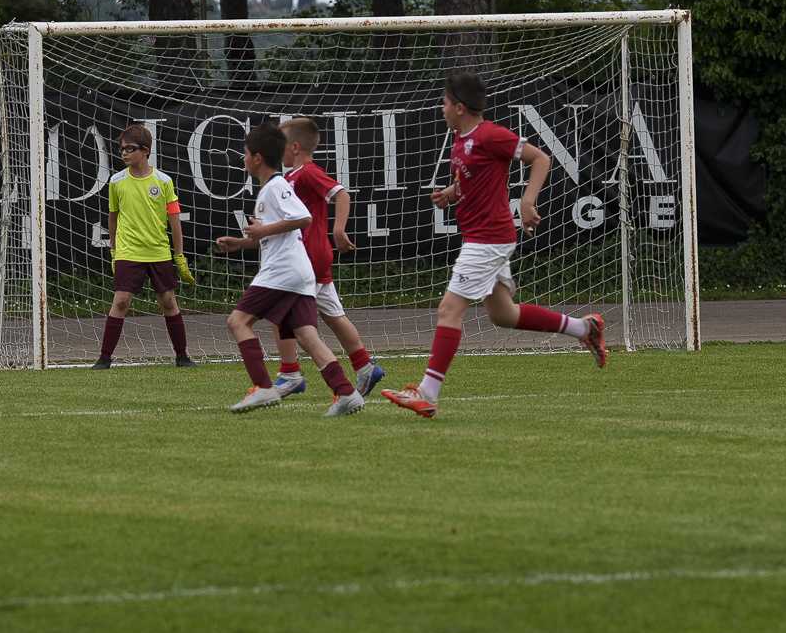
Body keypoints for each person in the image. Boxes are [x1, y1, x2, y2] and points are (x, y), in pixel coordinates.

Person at [382, 71, 605, 418]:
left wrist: (528, 201)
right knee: (504, 314)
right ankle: (584, 328)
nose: (441, 108)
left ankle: (427, 393)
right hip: (484, 237)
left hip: (488, 239)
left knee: (448, 310)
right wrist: (451, 193)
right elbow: (474, 178)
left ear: (459, 107)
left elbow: (541, 159)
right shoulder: (461, 139)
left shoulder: (490, 135)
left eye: (444, 102)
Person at [217, 122, 366, 416]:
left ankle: (263, 387)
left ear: (257, 158)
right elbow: (278, 233)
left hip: (282, 271)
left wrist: (262, 231)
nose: (243, 159)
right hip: (297, 271)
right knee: (306, 334)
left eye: (245, 153)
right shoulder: (273, 187)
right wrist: (242, 243)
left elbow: (304, 218)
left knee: (237, 321)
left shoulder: (276, 186)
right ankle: (346, 393)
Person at [269, 116, 383, 400]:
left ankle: (289, 373)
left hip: (307, 256)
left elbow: (341, 194)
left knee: (281, 311)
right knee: (333, 314)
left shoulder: (307, 172)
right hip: (314, 254)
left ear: (295, 147)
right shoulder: (291, 177)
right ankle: (365, 366)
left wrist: (338, 229)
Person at [95, 122, 194, 368]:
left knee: (168, 301)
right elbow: (113, 217)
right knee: (121, 301)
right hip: (128, 251)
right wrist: (114, 250)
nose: (124, 153)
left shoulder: (164, 181)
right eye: (122, 149)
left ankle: (182, 356)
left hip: (158, 252)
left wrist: (179, 256)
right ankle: (104, 359)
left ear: (146, 151)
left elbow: (174, 221)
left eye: (130, 148)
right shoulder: (116, 181)